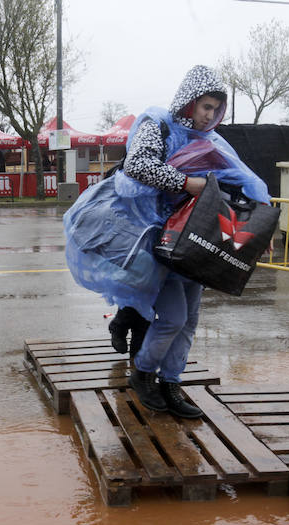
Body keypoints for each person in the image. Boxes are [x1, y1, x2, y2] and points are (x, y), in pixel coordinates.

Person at [64, 65, 270, 418]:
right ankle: (142, 372)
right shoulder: (157, 124)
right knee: (169, 315)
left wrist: (259, 231)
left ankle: (171, 383)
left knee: (188, 320)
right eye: (206, 107)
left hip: (193, 237)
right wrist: (187, 184)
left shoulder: (213, 142)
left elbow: (245, 182)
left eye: (216, 109)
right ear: (189, 102)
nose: (210, 116)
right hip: (153, 235)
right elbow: (139, 167)